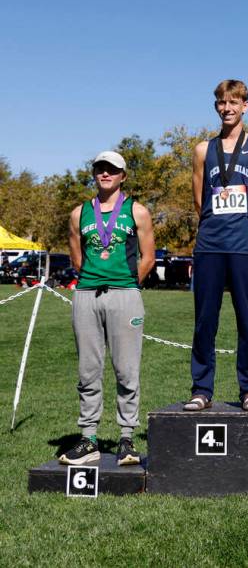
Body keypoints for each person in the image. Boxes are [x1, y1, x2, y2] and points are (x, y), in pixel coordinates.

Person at [184, 80, 248, 412]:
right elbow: (200, 199)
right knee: (205, 320)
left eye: (234, 102)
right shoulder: (202, 150)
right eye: (222, 103)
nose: (227, 108)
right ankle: (201, 389)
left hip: (245, 246)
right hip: (209, 244)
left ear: (245, 106)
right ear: (216, 107)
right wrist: (214, 224)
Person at [59, 151, 155, 466]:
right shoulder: (79, 214)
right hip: (87, 295)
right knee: (88, 370)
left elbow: (148, 257)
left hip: (124, 295)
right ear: (94, 174)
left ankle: (127, 438)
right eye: (100, 169)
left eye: (112, 170)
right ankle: (88, 439)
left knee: (126, 370)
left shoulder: (137, 211)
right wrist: (92, 280)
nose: (105, 174)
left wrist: (127, 284)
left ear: (123, 176)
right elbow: (76, 257)